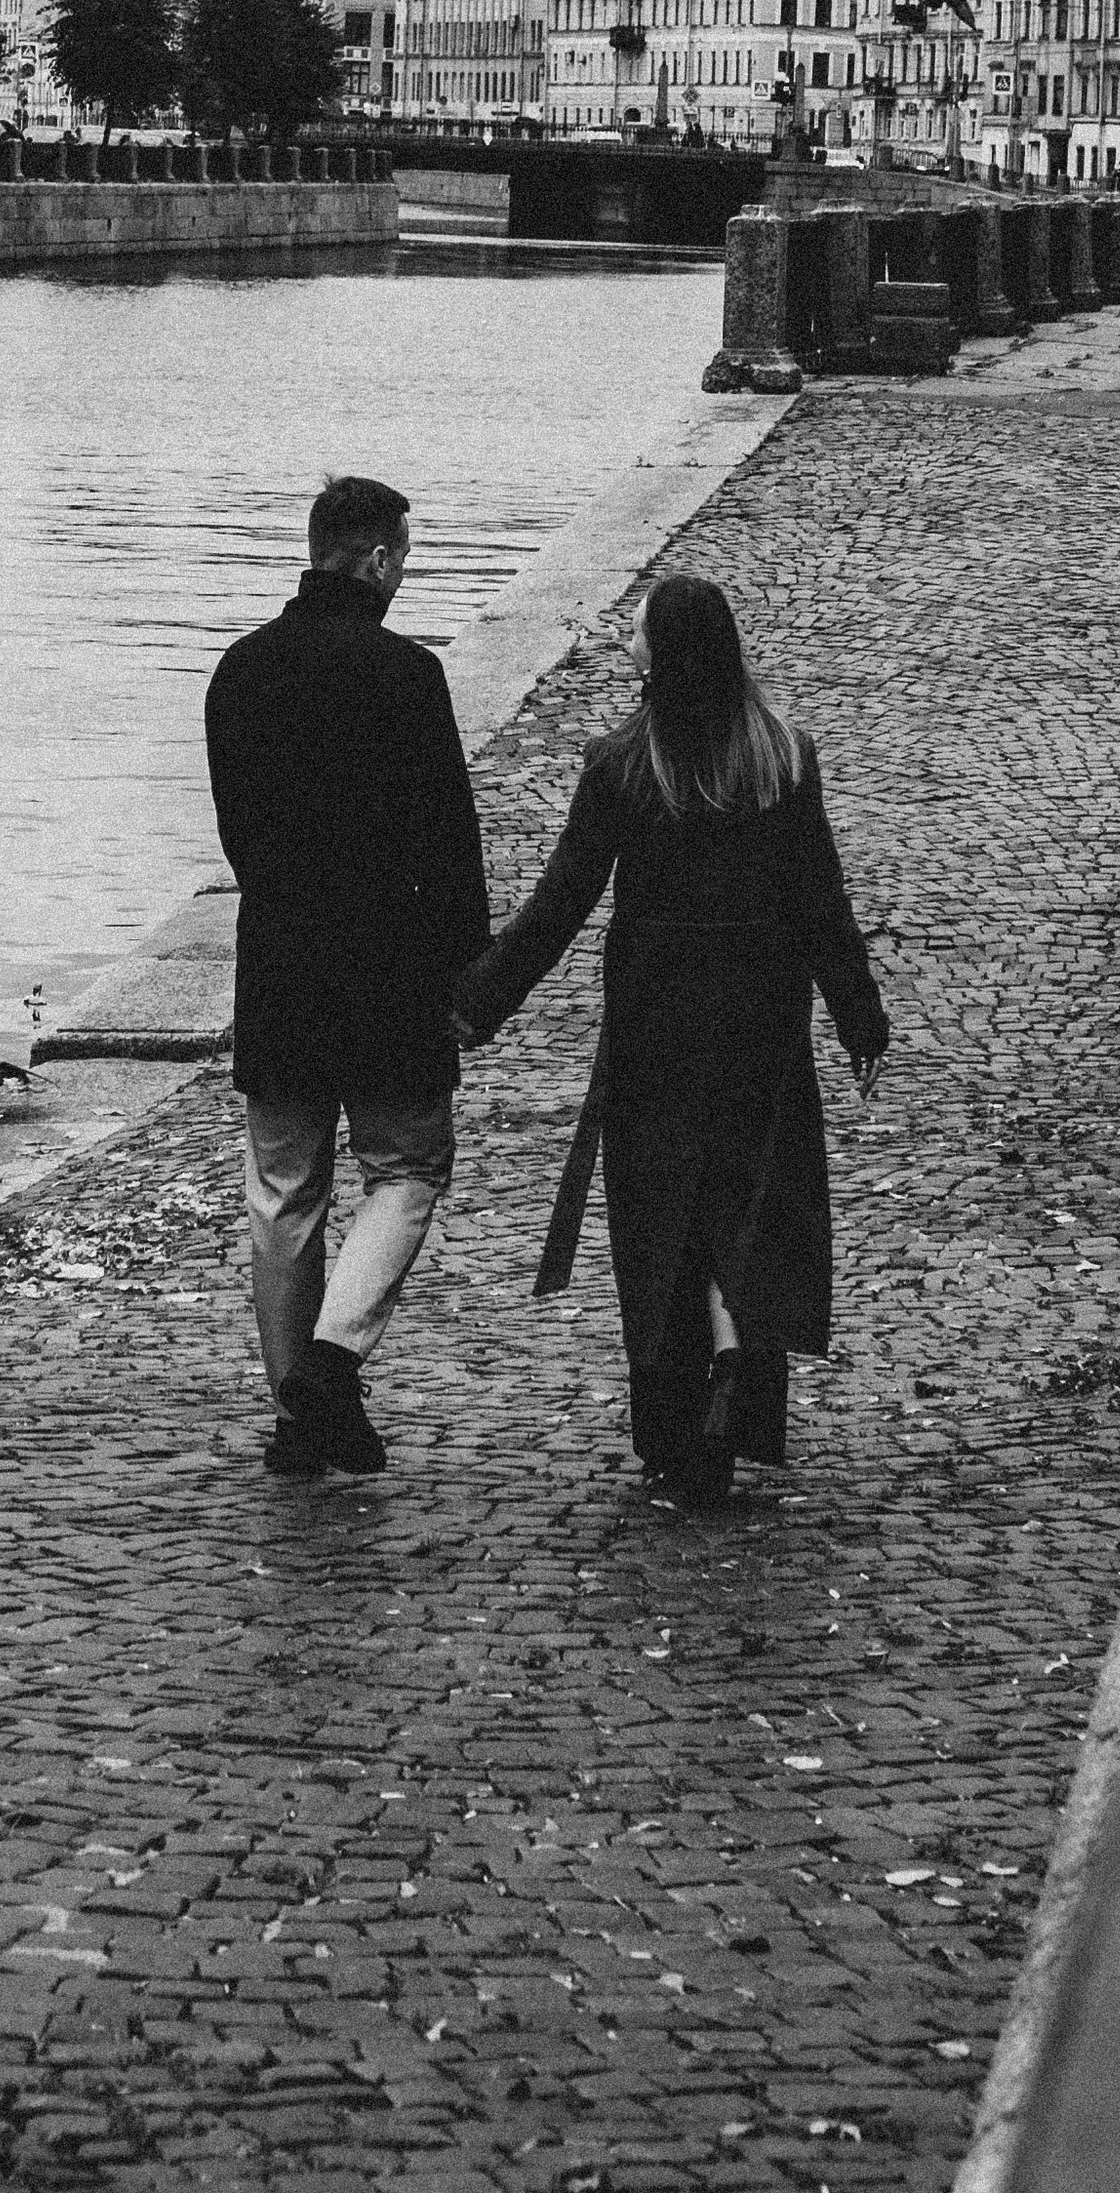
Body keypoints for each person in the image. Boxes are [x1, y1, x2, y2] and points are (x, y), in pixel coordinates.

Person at [451, 575, 887, 1505]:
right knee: (745, 1213)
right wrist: (859, 1014)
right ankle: (736, 1370)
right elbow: (822, 904)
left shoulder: (622, 766)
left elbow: (560, 904)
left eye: (638, 634)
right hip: (762, 1026)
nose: (626, 646)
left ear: (667, 652)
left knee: (664, 1230)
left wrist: (478, 1003)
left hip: (654, 1029)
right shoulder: (782, 759)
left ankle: (676, 1434)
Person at [205, 474, 490, 1479]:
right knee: (406, 1170)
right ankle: (330, 1366)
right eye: (402, 557)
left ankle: (300, 1416)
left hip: (279, 962)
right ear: (374, 558)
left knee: (283, 1191)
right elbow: (449, 845)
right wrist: (469, 975)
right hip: (388, 968)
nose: (402, 573)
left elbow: (239, 836)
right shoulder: (405, 675)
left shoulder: (237, 673)